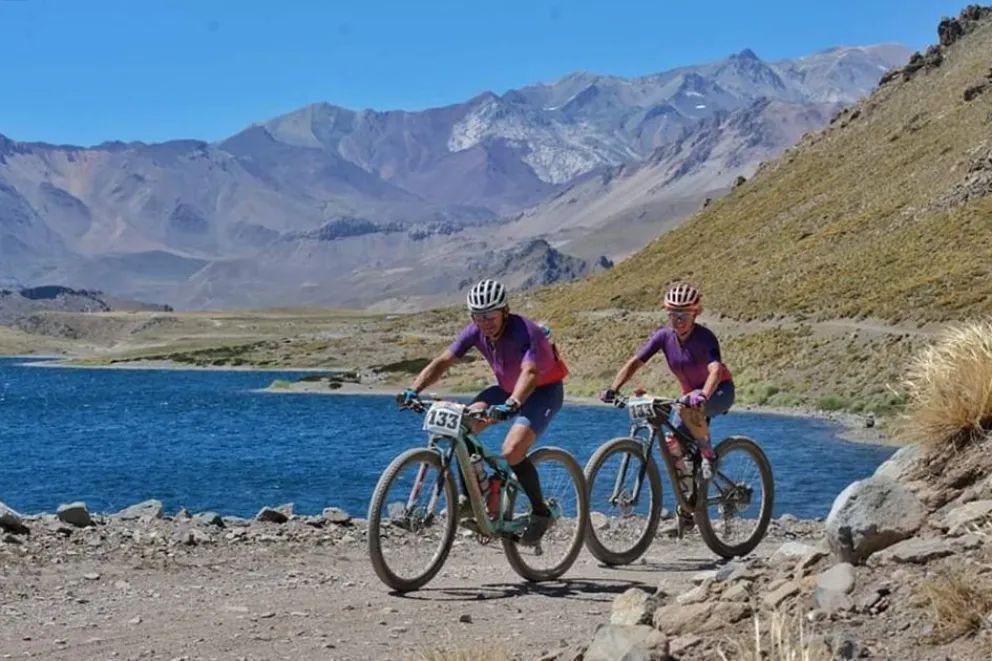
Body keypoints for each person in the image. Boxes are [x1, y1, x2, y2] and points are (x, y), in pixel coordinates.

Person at [399, 278, 569, 544]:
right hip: (504, 390)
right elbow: (443, 361)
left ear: (505, 311)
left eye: (490, 314)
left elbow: (531, 372)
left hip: (542, 392)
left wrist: (513, 404)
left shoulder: (527, 331)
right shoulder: (474, 331)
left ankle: (540, 513)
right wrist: (413, 389)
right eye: (478, 316)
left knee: (512, 450)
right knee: (461, 425)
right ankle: (471, 497)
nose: (485, 321)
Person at [599, 282, 735, 478]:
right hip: (688, 398)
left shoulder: (706, 338)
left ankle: (709, 456)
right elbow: (635, 362)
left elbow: (715, 370)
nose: (678, 320)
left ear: (695, 314)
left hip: (719, 392)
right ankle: (691, 499)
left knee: (689, 408)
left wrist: (704, 394)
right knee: (673, 446)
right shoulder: (663, 336)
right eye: (673, 315)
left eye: (684, 315)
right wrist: (613, 388)